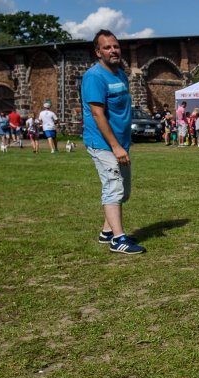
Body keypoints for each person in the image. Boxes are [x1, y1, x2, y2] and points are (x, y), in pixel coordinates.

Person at [81, 29, 145, 254]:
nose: (113, 50)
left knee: (124, 192)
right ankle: (118, 240)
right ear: (98, 52)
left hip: (121, 141)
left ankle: (107, 231)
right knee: (114, 187)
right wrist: (115, 146)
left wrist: (124, 142)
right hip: (102, 143)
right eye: (107, 47)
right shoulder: (94, 77)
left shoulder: (120, 73)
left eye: (115, 46)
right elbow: (98, 114)